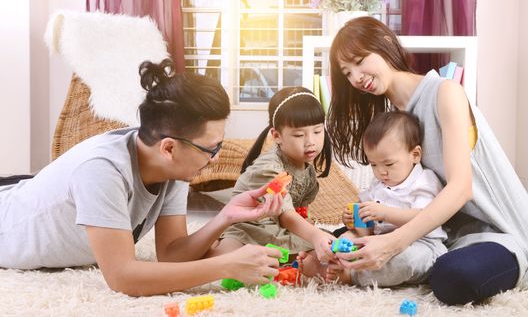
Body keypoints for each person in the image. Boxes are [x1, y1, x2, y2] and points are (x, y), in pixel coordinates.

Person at [0, 59, 285, 296]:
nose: (216, 157)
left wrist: (225, 216)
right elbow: (122, 277)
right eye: (211, 149)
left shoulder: (173, 169)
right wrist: (226, 266)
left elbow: (172, 254)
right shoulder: (102, 170)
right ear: (169, 147)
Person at [326, 16, 528, 305]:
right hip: (443, 233)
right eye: (347, 73)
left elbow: (461, 189)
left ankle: (400, 266)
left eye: (360, 61)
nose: (356, 77)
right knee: (340, 240)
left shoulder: (446, 92)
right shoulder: (394, 117)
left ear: (384, 43)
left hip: (499, 233)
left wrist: (392, 244)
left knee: (453, 278)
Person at [311, 111, 447, 286]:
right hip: (380, 242)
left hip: (422, 244)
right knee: (345, 238)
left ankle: (352, 276)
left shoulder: (424, 181)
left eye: (389, 164)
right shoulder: (379, 183)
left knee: (405, 261)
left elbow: (424, 216)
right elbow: (366, 227)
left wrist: (384, 213)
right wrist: (355, 220)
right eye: (374, 164)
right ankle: (329, 262)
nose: (381, 171)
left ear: (415, 155)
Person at [206, 87, 337, 267]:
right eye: (299, 135)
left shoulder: (306, 167)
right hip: (249, 227)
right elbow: (286, 216)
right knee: (225, 259)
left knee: (327, 244)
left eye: (317, 131)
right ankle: (214, 246)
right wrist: (314, 236)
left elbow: (299, 213)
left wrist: (315, 235)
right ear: (277, 136)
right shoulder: (269, 168)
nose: (311, 141)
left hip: (280, 228)